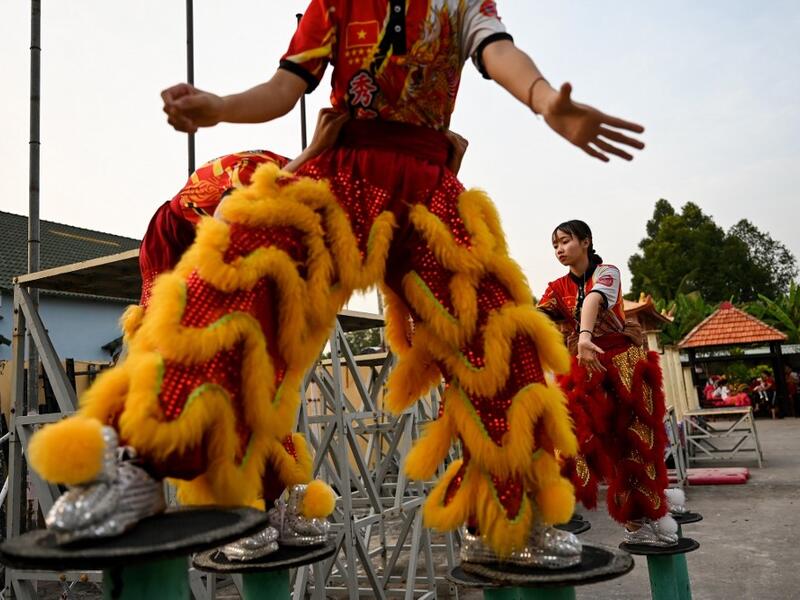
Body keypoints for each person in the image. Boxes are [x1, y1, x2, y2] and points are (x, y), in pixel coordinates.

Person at [29, 1, 644, 566]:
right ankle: (144, 463)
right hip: (343, 172)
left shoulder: (460, 3)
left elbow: (499, 52)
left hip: (431, 188)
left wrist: (542, 98)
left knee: (497, 331)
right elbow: (283, 88)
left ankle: (510, 514)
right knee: (241, 288)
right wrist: (218, 108)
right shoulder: (336, 3)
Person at [538, 220, 681, 546]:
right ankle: (548, 513)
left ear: (586, 242)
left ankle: (644, 518)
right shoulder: (556, 288)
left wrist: (585, 336)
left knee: (637, 441)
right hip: (585, 368)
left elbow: (592, 301)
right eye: (555, 245)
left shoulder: (608, 272)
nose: (559, 249)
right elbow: (535, 318)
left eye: (565, 241)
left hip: (623, 365)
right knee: (569, 435)